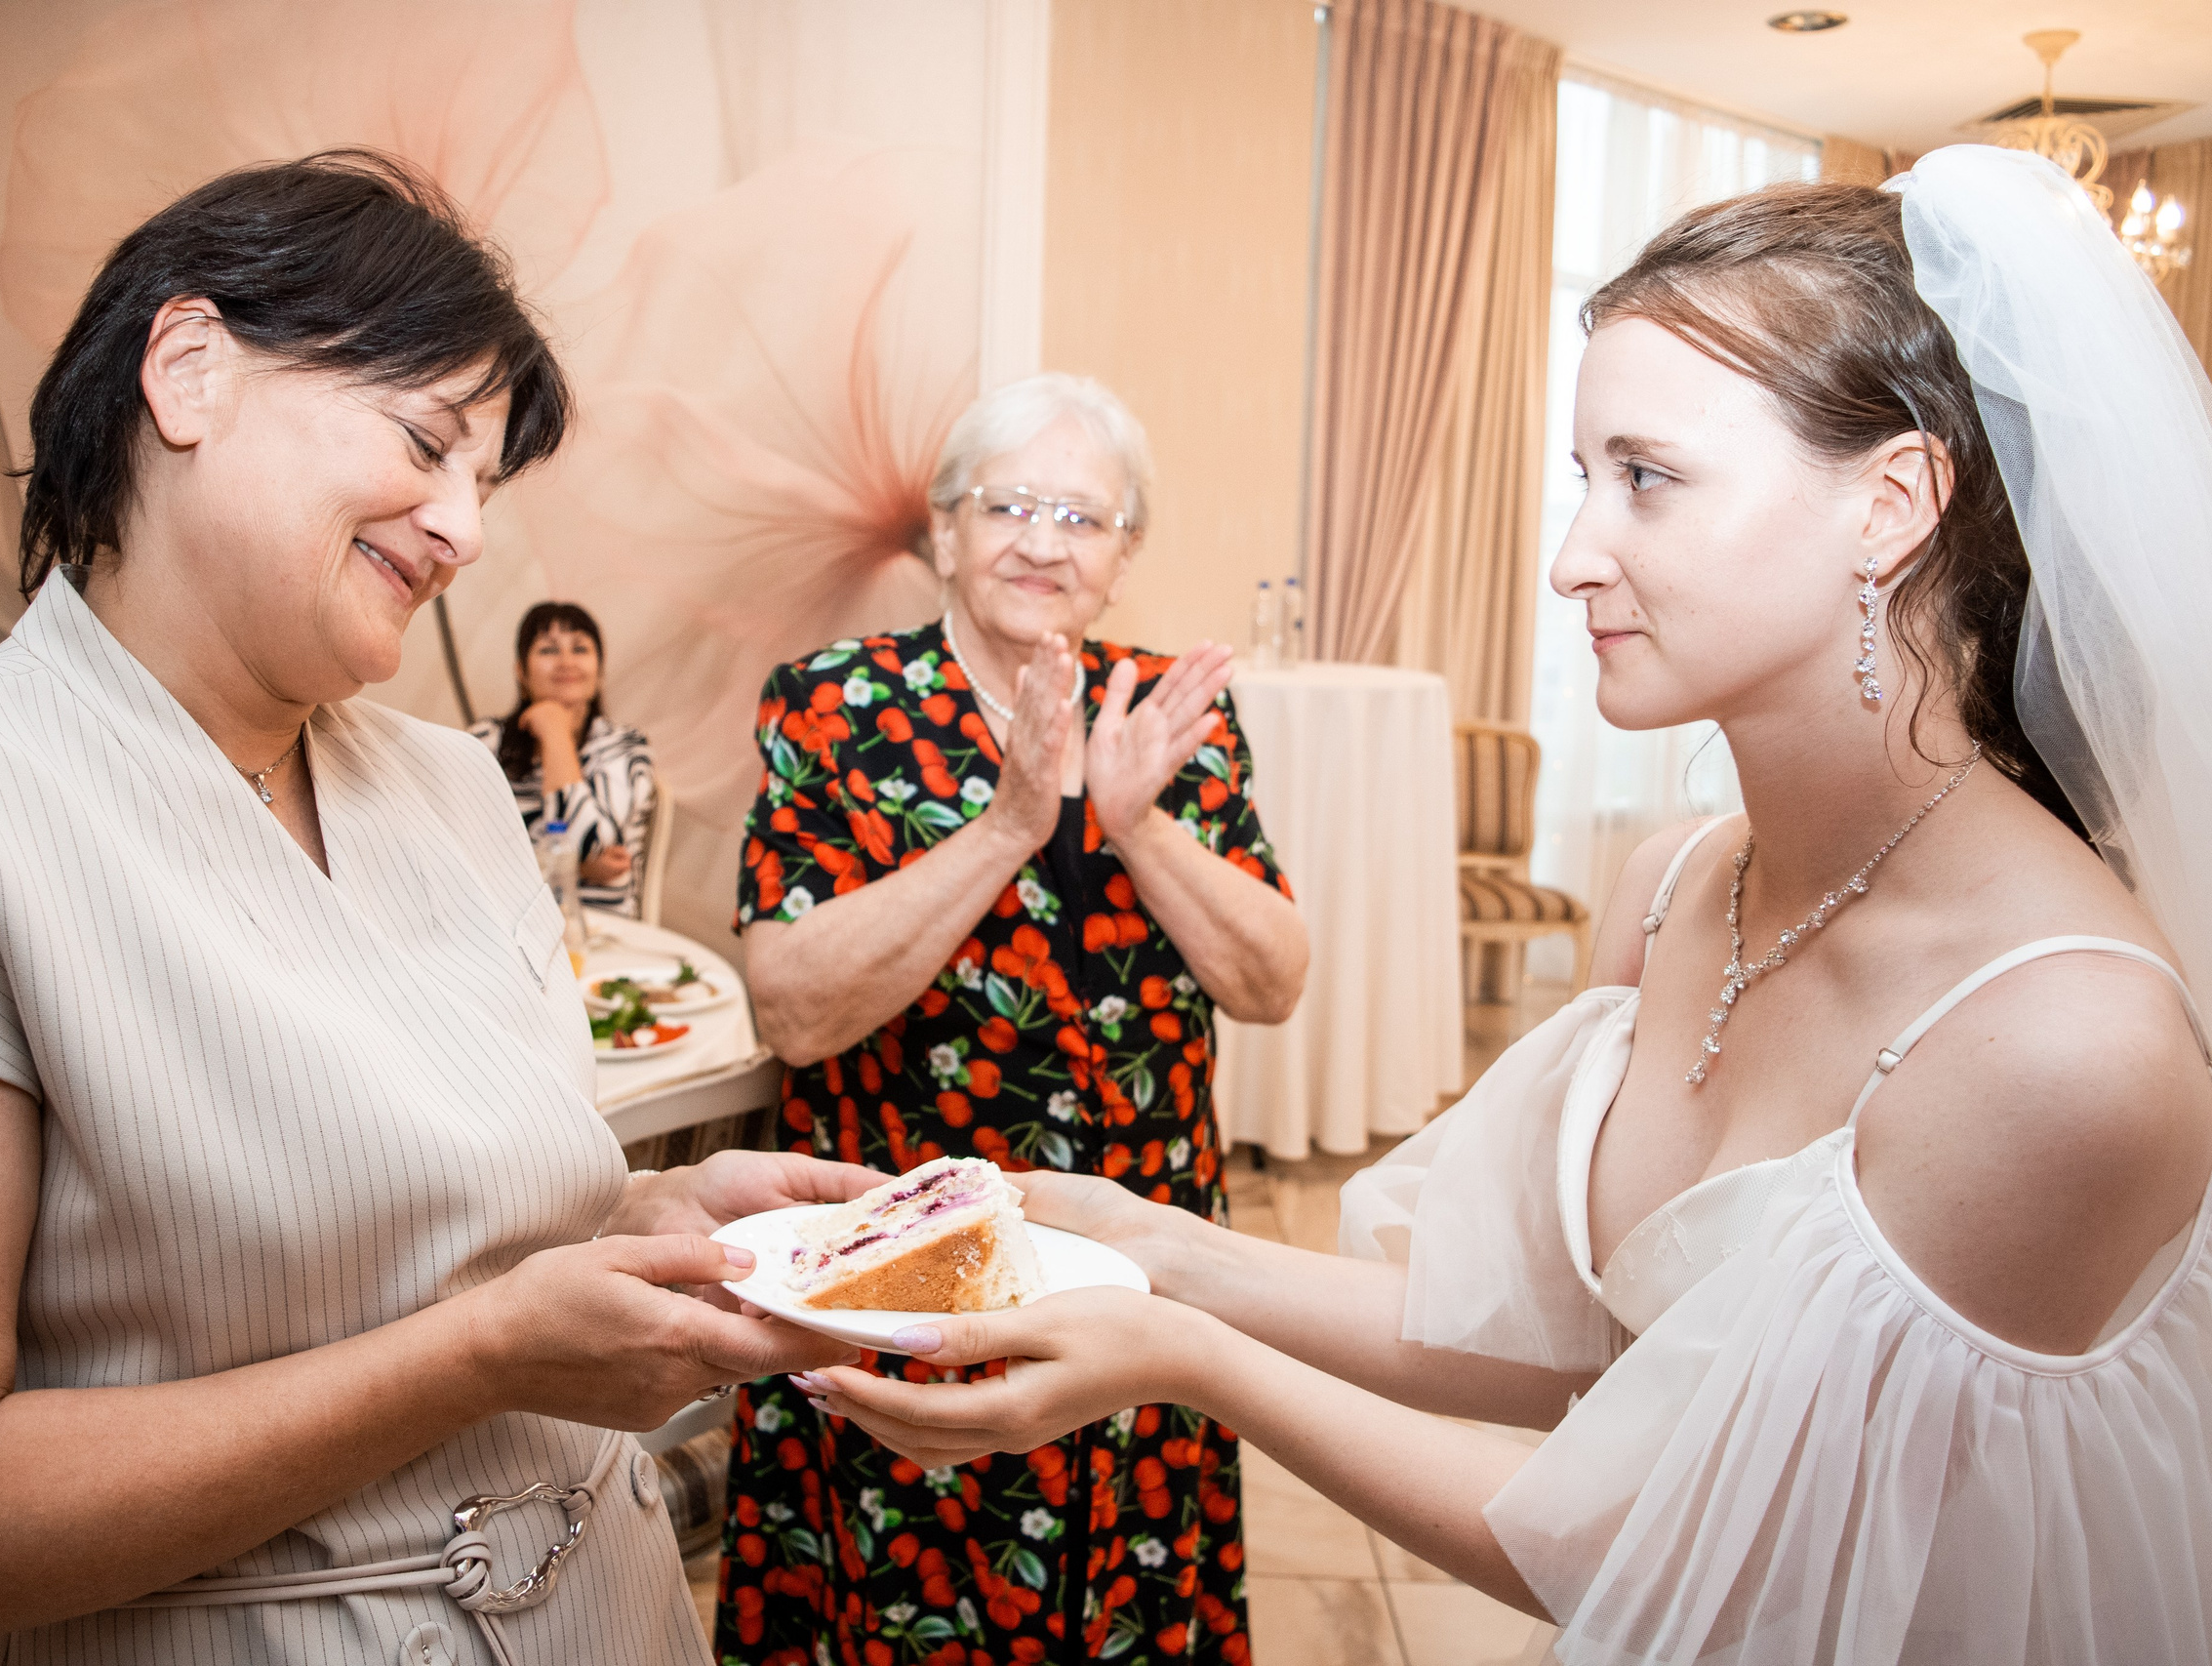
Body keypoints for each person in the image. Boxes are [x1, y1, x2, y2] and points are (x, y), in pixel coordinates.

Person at [786, 149, 2212, 1665]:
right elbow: (1560, 1351)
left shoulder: (2069, 1044)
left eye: (1646, 477)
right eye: (1583, 478)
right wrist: (1143, 1237)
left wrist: (1177, 1347)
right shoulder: (1672, 887)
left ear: (1893, 503)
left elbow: (1687, 1545)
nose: (1568, 559)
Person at [0, 151, 871, 1666]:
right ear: (190, 372)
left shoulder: (454, 791)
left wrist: (645, 1219)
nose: (463, 531)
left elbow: (440, 1228)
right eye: (427, 441)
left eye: (486, 483)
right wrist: (481, 1354)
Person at [723, 372, 1309, 1664]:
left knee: (1123, 1591)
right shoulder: (830, 704)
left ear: (1122, 556)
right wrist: (1009, 828)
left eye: (1081, 516)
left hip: (1137, 1263)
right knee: (906, 1600)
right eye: (1010, 505)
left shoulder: (1168, 719)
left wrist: (1138, 820)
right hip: (910, 1267)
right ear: (944, 530)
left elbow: (1272, 980)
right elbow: (796, 1009)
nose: (1043, 540)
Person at [469, 601, 657, 915]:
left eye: (580, 649)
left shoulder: (626, 747)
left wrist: (555, 734)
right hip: (504, 921)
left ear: (599, 671)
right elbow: (466, 850)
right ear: (521, 671)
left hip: (603, 930)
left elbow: (591, 842)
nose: (566, 661)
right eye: (548, 650)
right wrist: (582, 869)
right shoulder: (485, 741)